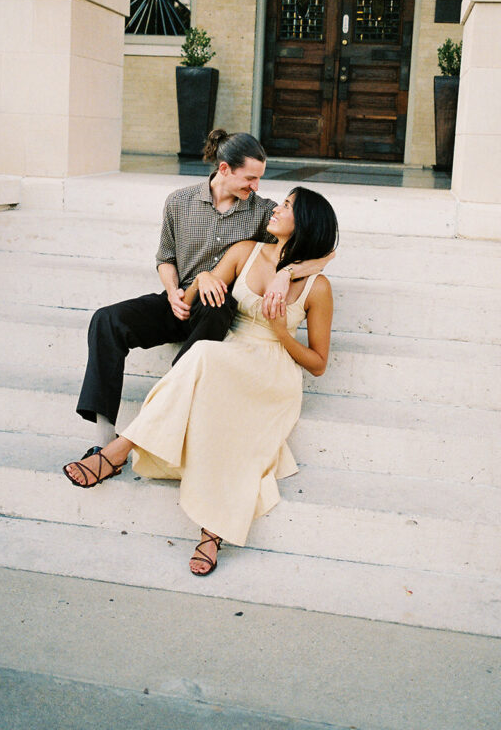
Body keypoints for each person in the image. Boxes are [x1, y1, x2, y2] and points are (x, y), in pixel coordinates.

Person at [63, 187, 338, 576]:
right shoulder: (246, 251)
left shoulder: (318, 287)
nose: (276, 208)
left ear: (305, 222)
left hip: (272, 370)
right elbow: (193, 299)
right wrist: (205, 276)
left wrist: (282, 331)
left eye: (288, 206)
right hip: (229, 353)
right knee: (208, 369)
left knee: (204, 357)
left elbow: (319, 364)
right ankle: (210, 531)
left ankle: (121, 453)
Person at [73, 129, 333, 458]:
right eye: (250, 178)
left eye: (259, 178)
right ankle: (103, 437)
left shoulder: (262, 212)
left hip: (217, 312)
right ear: (224, 169)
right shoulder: (179, 202)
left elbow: (322, 248)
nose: (256, 186)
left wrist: (287, 273)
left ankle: (166, 404)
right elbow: (165, 258)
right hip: (181, 299)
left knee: (219, 300)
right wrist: (172, 292)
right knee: (106, 320)